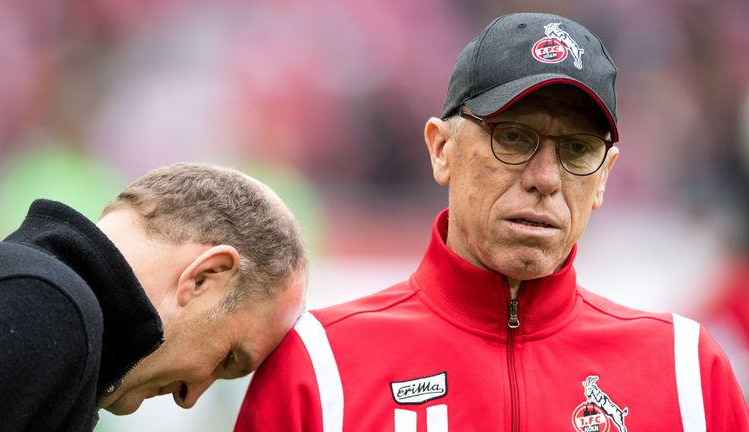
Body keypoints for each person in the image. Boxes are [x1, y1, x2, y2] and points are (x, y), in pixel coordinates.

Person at [234, 12, 749, 431]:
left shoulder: (686, 375)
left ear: (605, 177)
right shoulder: (319, 369)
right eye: (514, 137)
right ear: (441, 150)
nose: (545, 178)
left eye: (577, 149)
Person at [0, 162, 307, 431]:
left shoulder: (25, 289)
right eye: (228, 358)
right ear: (203, 277)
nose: (189, 397)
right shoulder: (47, 304)